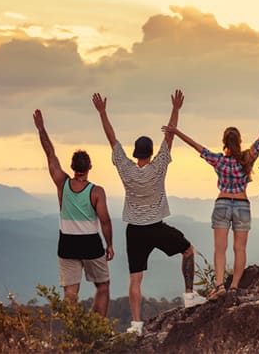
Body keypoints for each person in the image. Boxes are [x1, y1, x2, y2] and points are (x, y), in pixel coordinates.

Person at [92, 90, 206, 336]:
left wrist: (103, 112)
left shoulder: (125, 168)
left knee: (135, 279)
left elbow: (111, 139)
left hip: (134, 231)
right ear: (151, 153)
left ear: (135, 153)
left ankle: (136, 325)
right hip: (156, 227)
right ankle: (188, 295)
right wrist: (176, 108)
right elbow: (170, 135)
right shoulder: (160, 165)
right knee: (187, 250)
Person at [162, 103, 259, 300]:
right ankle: (235, 286)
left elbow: (196, 146)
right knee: (240, 248)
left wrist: (176, 131)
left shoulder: (219, 161)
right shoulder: (247, 158)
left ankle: (220, 285)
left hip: (222, 204)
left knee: (219, 248)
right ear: (239, 141)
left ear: (224, 142)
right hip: (242, 205)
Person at [33, 109, 113, 317]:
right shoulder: (96, 191)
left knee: (70, 292)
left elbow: (50, 154)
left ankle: (73, 336)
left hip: (67, 243)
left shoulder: (62, 183)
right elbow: (105, 221)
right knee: (102, 286)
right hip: (90, 243)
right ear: (89, 168)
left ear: (72, 167)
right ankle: (98, 329)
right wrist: (110, 245)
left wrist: (41, 128)